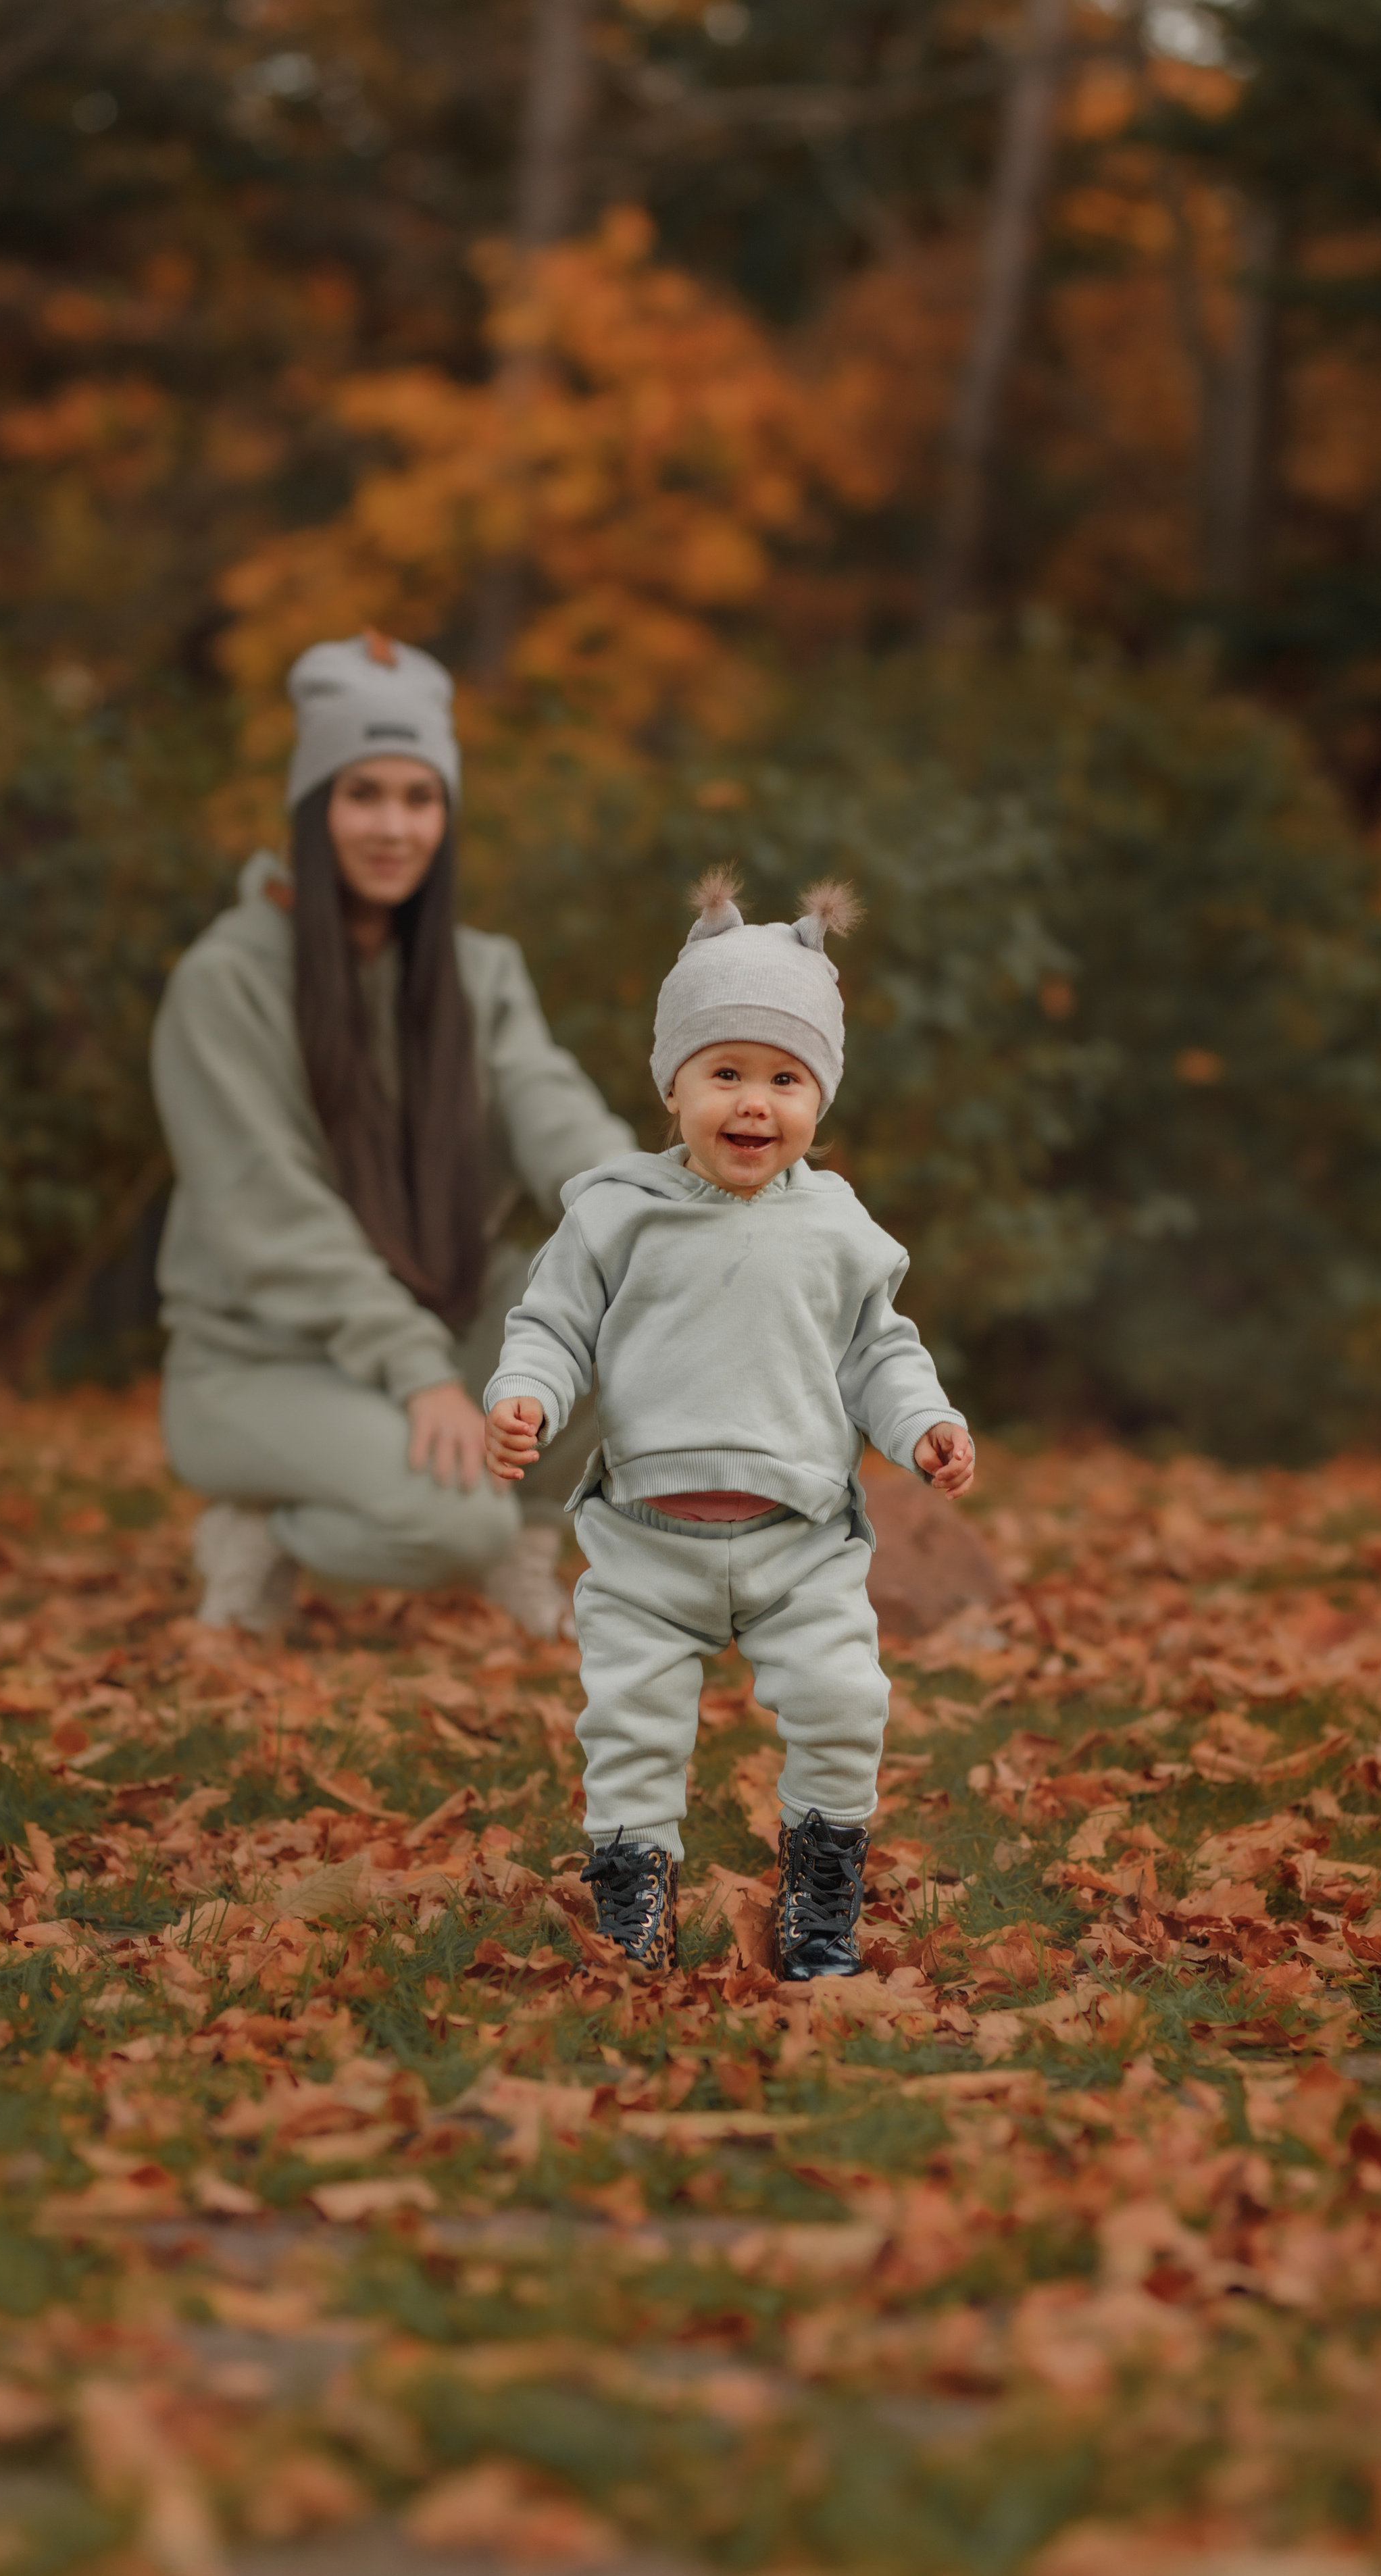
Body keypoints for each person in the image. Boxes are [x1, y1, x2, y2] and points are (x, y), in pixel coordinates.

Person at [481, 868, 975, 1979]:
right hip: (647, 1542)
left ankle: (820, 1902)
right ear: (674, 1088)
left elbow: (878, 1353)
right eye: (726, 1073)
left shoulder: (839, 1226)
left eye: (786, 1078)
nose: (755, 1102)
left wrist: (925, 1423)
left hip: (801, 1540)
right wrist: (525, 1398)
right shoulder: (616, 1213)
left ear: (820, 1098)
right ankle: (632, 1910)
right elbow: (551, 1327)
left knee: (847, 1703)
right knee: (632, 1727)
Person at [151, 630, 636, 1638]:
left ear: (446, 819)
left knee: (624, 1287)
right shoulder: (226, 983)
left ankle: (526, 1544)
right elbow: (271, 1213)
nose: (392, 827)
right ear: (312, 807)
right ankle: (263, 1535)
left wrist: (667, 1223)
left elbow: (555, 1111)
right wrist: (419, 1372)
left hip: (437, 1312)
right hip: (259, 1361)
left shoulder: (479, 971)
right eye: (361, 793)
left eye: (419, 799)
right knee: (451, 1525)